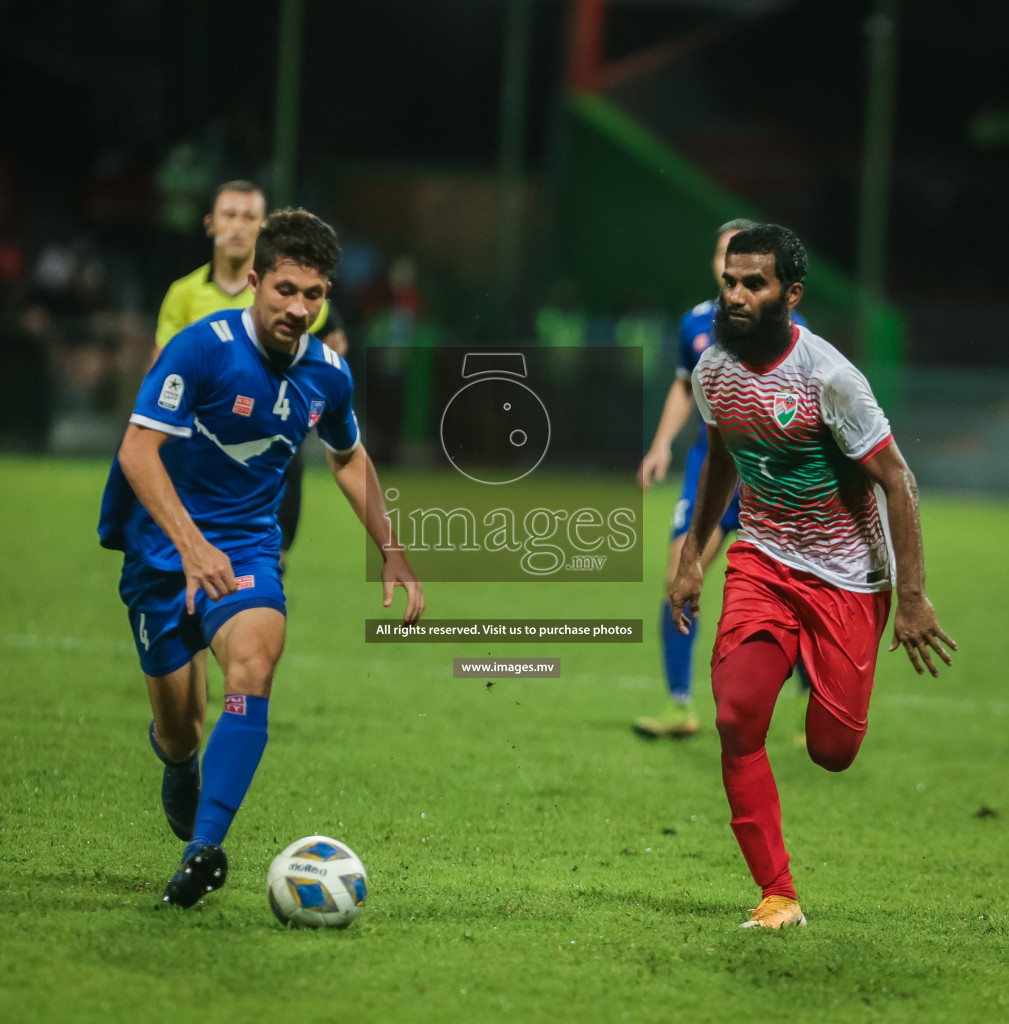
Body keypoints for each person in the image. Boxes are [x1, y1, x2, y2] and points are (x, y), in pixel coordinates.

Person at [98, 208, 423, 908]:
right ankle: (180, 762)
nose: (299, 308)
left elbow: (347, 457)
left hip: (246, 547)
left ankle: (203, 850)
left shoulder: (328, 375)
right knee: (182, 728)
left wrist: (392, 553)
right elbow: (136, 450)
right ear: (255, 280)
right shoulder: (202, 348)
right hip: (163, 551)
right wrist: (190, 546)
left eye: (313, 294)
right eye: (285, 290)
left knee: (253, 661)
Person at [668, 224, 955, 928]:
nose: (734, 296)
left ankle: (830, 684)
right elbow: (719, 459)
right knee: (736, 719)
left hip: (847, 577)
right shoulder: (712, 372)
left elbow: (897, 481)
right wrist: (689, 558)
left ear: (789, 295)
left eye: (753, 284)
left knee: (831, 751)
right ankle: (777, 893)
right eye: (728, 283)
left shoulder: (829, 377)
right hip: (761, 561)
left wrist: (910, 598)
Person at [634, 219, 810, 740]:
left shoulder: (788, 330)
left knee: (792, 595)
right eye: (722, 257)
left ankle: (808, 697)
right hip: (709, 472)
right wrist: (661, 443)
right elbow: (684, 386)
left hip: (769, 477)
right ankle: (680, 704)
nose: (729, 269)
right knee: (677, 580)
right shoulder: (695, 325)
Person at [154, 180, 347, 569]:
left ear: (263, 230)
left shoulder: (284, 292)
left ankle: (272, 562)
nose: (238, 227)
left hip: (265, 439)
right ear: (210, 223)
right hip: (201, 443)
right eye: (229, 215)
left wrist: (305, 400)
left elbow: (333, 339)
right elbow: (161, 369)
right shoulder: (184, 294)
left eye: (249, 218)